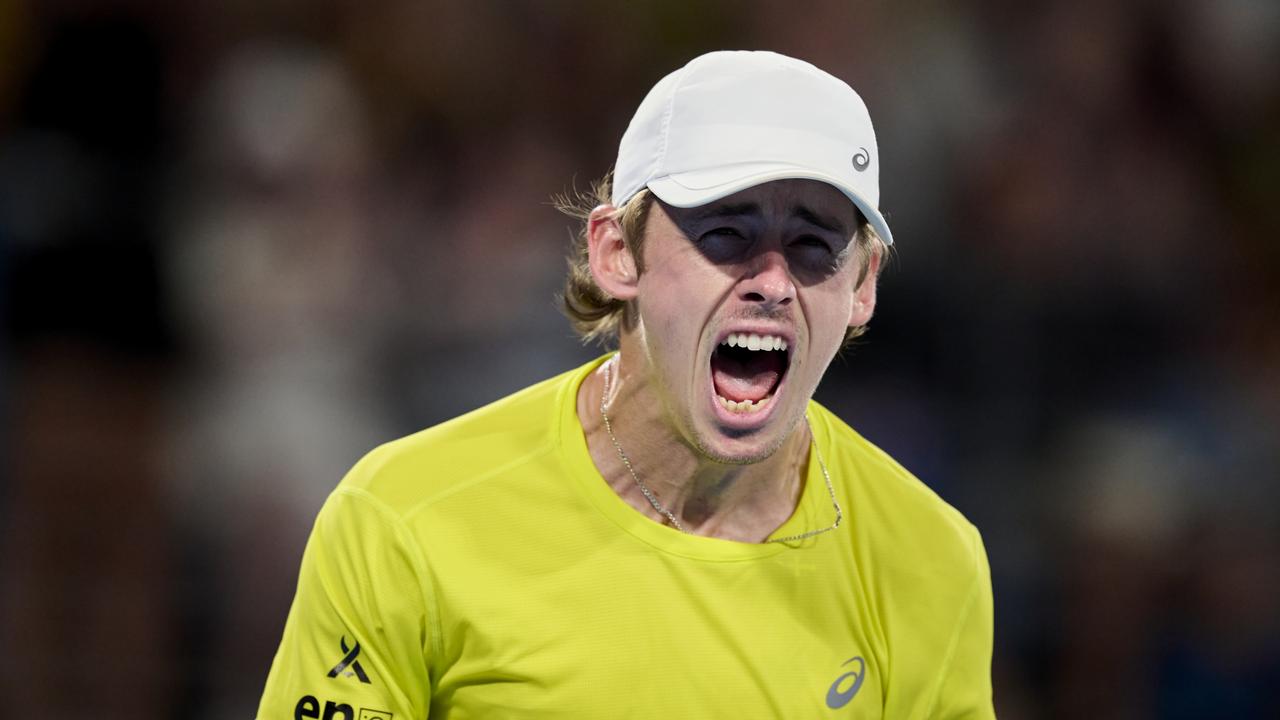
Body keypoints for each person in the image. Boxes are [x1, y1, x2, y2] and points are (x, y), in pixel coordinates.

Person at [257, 50, 994, 719]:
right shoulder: (400, 520)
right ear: (616, 253)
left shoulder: (931, 562)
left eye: (813, 245)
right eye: (726, 234)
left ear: (862, 287)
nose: (772, 281)